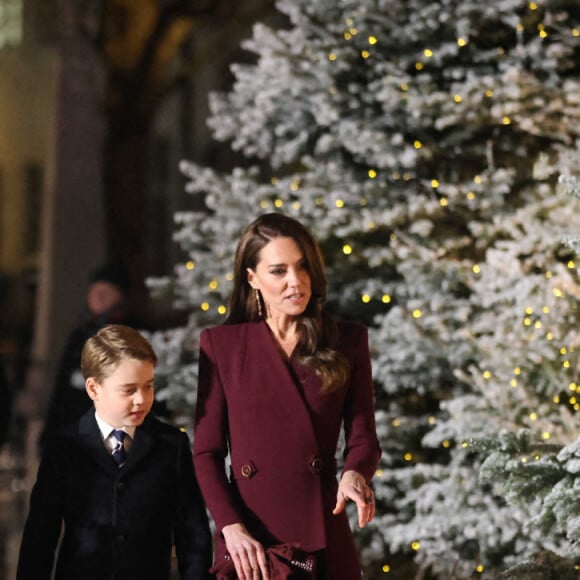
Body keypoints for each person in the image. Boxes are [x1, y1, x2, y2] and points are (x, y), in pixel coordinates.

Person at [193, 213, 381, 580]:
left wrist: (355, 473)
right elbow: (206, 453)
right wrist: (231, 527)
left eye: (302, 267)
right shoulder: (222, 346)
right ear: (252, 278)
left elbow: (364, 439)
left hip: (324, 532)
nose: (296, 282)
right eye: (278, 271)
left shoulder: (346, 342)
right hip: (250, 543)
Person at [17, 324, 213, 580]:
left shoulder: (170, 446)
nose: (141, 399)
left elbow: (192, 533)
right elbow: (41, 535)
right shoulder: (65, 448)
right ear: (94, 389)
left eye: (148, 386)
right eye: (129, 390)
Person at [40, 262, 139, 449]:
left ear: (120, 296)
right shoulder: (80, 335)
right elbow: (61, 387)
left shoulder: (131, 334)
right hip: (73, 434)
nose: (99, 297)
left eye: (107, 292)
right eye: (95, 291)